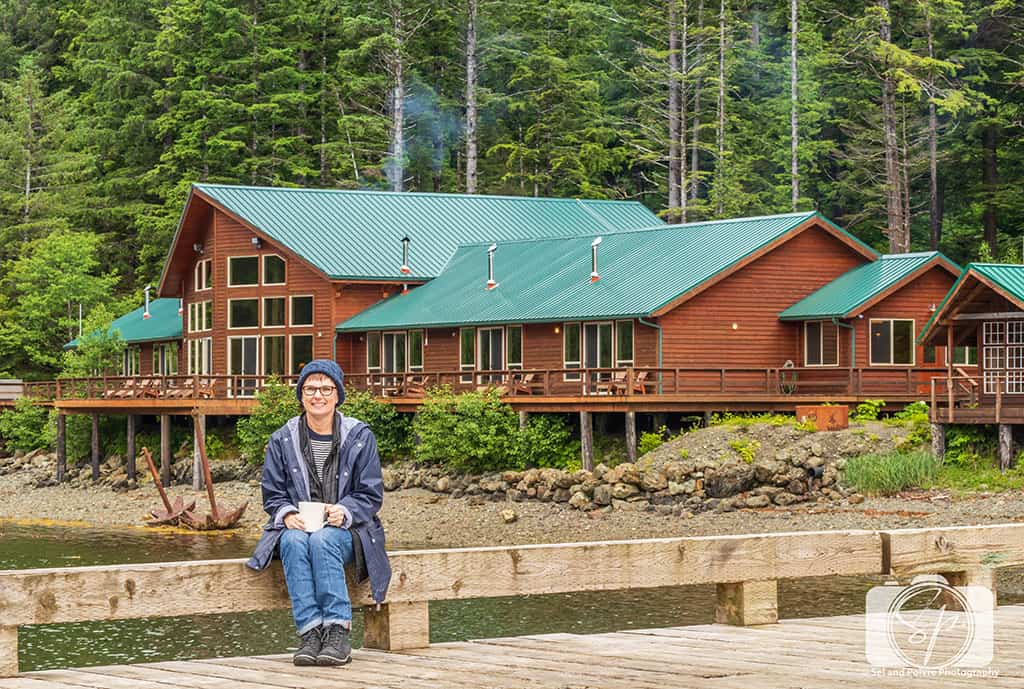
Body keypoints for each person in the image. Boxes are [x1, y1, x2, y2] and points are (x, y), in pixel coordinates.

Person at [247, 359, 391, 666]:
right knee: (292, 542)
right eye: (310, 388)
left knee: (323, 540)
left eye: (326, 389)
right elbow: (272, 494)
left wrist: (345, 510)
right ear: (301, 395)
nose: (318, 395)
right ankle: (311, 633)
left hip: (351, 531)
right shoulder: (282, 438)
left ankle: (337, 632)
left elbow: (371, 494)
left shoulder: (360, 436)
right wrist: (286, 515)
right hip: (300, 527)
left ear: (338, 395)